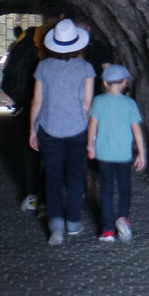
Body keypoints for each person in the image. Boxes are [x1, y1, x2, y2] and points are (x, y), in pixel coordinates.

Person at [30, 18, 94, 245]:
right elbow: (88, 104)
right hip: (78, 128)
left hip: (50, 128)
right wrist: (91, 133)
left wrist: (33, 130)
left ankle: (56, 224)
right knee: (75, 175)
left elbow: (37, 101)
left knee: (53, 177)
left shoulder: (43, 67)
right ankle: (74, 222)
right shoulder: (86, 68)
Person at [87, 64, 146, 243]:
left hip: (104, 153)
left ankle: (107, 230)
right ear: (124, 82)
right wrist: (141, 153)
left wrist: (91, 146)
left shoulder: (98, 101)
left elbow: (93, 126)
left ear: (105, 83)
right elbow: (137, 130)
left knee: (106, 190)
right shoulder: (129, 104)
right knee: (124, 188)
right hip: (123, 154)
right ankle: (123, 217)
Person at [1, 25, 41, 210]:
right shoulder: (46, 51)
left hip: (27, 105)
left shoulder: (22, 47)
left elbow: (9, 77)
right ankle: (52, 199)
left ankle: (32, 194)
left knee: (31, 152)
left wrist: (20, 100)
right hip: (53, 110)